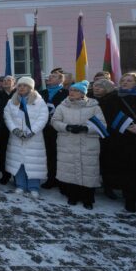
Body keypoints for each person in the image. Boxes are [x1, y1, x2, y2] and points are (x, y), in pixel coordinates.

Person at [51, 80, 106, 209]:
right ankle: (72, 196)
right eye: (71, 90)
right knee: (70, 169)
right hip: (67, 142)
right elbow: (54, 121)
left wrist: (86, 129)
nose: (72, 92)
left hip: (88, 143)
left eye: (76, 90)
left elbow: (102, 125)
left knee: (88, 171)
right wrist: (67, 127)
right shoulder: (62, 106)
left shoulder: (94, 107)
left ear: (83, 93)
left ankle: (88, 198)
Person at [99, 72, 136, 212]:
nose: (125, 82)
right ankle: (129, 199)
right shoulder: (113, 97)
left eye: (129, 80)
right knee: (127, 170)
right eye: (123, 80)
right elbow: (108, 115)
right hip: (122, 139)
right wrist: (129, 128)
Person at [4, 77, 49, 198]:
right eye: (19, 86)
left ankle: (34, 187)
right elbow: (7, 117)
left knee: (33, 163)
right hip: (16, 138)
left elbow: (43, 118)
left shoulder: (39, 101)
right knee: (19, 162)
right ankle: (20, 185)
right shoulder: (12, 102)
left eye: (24, 85)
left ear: (31, 87)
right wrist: (15, 130)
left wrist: (32, 131)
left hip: (33, 139)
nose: (21, 88)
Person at [40, 70, 69, 189]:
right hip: (45, 128)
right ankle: (51, 178)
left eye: (54, 76)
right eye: (50, 76)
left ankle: (62, 179)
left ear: (60, 80)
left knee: (61, 154)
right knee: (49, 154)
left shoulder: (66, 93)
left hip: (60, 128)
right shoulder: (42, 92)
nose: (50, 78)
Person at [92, 78, 118, 199]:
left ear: (107, 89)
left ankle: (108, 187)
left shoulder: (114, 100)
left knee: (107, 162)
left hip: (108, 136)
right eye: (95, 86)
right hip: (91, 135)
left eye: (100, 87)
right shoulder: (89, 99)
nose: (96, 88)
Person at [0, 75, 16, 185]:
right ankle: (5, 174)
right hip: (2, 128)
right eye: (4, 80)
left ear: (14, 83)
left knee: (16, 153)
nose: (6, 82)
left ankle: (17, 176)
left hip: (17, 128)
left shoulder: (18, 94)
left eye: (9, 80)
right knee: (3, 152)